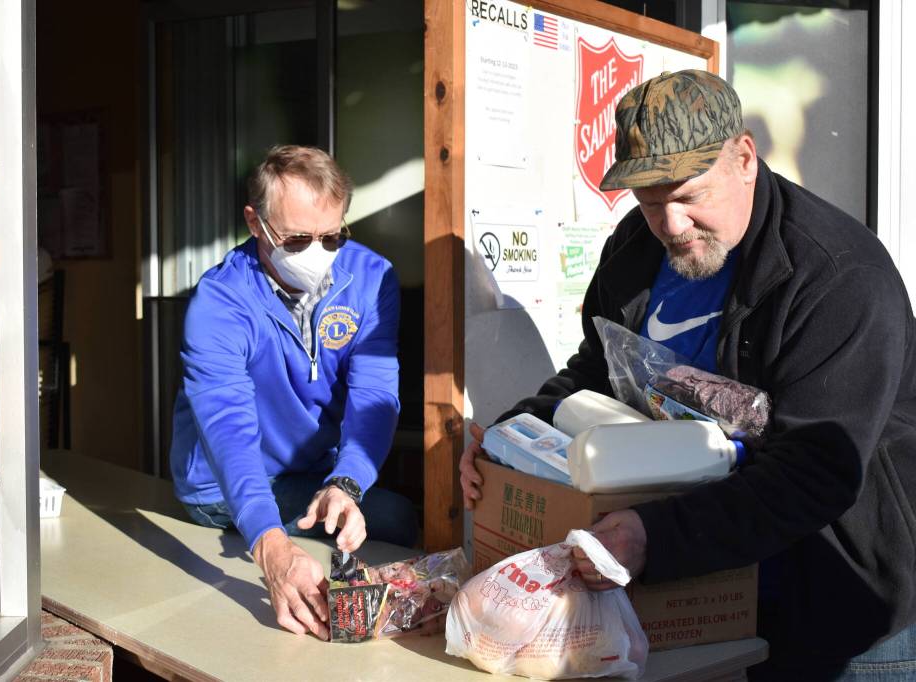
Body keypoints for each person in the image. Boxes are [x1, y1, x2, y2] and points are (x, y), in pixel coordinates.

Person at [460, 70, 916, 679]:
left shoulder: (838, 275)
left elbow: (816, 472)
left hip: (838, 605)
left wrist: (654, 538)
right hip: (697, 588)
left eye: (688, 196)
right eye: (650, 202)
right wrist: (511, 435)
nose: (671, 225)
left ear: (744, 158)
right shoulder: (636, 247)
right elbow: (597, 370)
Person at [170, 145, 418, 640]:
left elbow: (374, 394)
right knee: (384, 523)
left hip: (309, 470)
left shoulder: (372, 279)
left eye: (333, 237)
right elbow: (228, 428)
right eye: (298, 239)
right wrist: (271, 548)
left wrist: (346, 483)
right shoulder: (219, 301)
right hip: (223, 483)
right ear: (255, 222)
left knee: (394, 519)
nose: (317, 254)